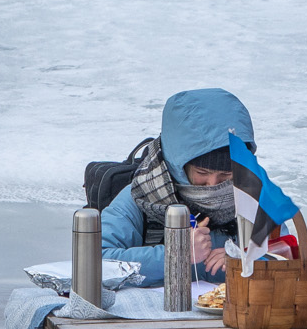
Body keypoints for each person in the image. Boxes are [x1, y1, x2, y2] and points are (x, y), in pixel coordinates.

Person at [99, 89, 256, 287]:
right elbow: (96, 262)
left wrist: (245, 259)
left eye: (226, 175)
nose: (213, 184)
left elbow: (288, 255)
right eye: (202, 172)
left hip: (230, 314)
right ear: (179, 165)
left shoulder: (254, 198)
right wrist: (176, 253)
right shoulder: (141, 195)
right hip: (151, 314)